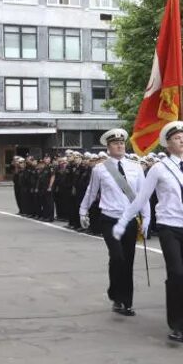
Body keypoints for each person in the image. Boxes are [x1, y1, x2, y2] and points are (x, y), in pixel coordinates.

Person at [114, 121, 183, 343]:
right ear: (167, 144)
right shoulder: (159, 168)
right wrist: (123, 221)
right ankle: (175, 323)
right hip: (169, 227)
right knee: (176, 273)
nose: (182, 140)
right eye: (176, 138)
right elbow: (141, 198)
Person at [79, 129, 150, 317]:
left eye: (122, 143)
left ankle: (125, 301)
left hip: (130, 220)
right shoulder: (100, 169)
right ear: (108, 147)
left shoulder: (135, 168)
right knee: (117, 257)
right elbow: (91, 192)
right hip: (109, 219)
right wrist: (83, 210)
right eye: (115, 144)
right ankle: (115, 292)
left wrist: (147, 217)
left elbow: (143, 195)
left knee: (128, 261)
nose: (119, 146)